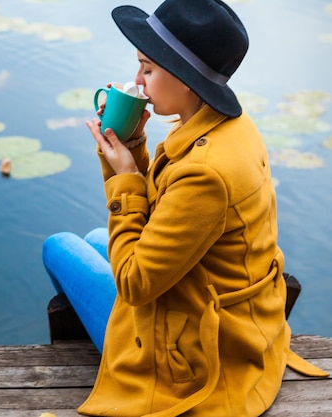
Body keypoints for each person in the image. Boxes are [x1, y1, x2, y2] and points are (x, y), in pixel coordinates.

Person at [42, 0, 328, 416]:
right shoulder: (229, 128)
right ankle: (110, 337)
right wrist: (133, 147)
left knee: (60, 244)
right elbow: (169, 213)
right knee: (93, 239)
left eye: (148, 69)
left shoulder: (206, 173)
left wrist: (123, 178)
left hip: (190, 351)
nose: (137, 80)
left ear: (186, 79)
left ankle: (119, 357)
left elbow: (136, 283)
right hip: (232, 317)